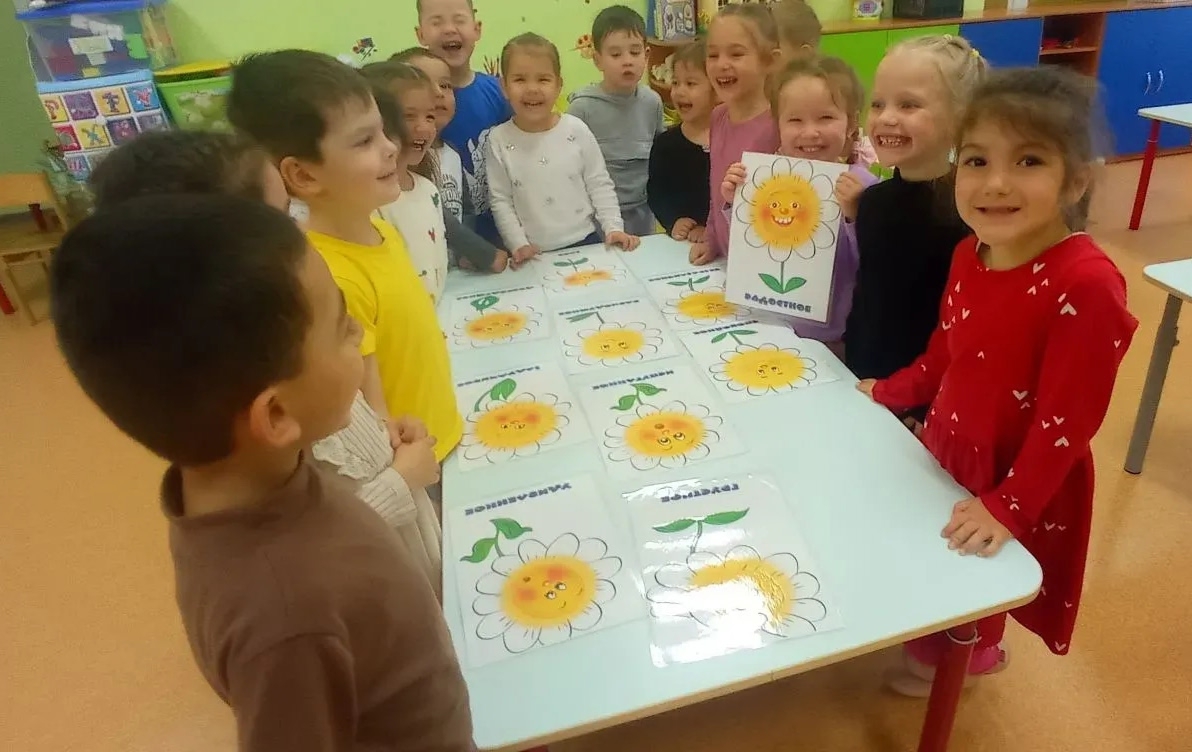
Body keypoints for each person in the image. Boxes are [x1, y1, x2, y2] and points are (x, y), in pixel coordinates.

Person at [50, 193, 473, 749]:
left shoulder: (255, 472)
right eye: (342, 328)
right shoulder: (286, 619)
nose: (358, 334)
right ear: (275, 415)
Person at [858, 66, 1138, 696]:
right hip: (951, 445)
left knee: (975, 583)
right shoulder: (970, 252)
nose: (996, 183)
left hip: (1017, 470)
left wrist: (1011, 504)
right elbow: (946, 350)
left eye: (1029, 160)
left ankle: (976, 655)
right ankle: (949, 640)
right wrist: (892, 390)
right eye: (977, 160)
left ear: (1078, 178)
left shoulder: (1087, 284)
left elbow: (1069, 423)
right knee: (935, 565)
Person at [88, 129, 445, 596]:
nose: (300, 231)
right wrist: (401, 482)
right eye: (282, 216)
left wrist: (382, 433)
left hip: (407, 552)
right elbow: (309, 553)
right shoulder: (265, 388)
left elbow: (342, 450)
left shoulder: (290, 356)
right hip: (382, 578)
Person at [226, 50, 463, 474]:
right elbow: (370, 414)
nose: (391, 147)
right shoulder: (331, 277)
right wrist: (405, 472)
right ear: (304, 175)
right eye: (364, 141)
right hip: (414, 460)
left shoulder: (383, 230)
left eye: (383, 131)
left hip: (439, 432)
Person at [844, 35, 986, 390]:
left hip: (926, 396)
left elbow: (964, 330)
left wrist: (918, 401)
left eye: (908, 105)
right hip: (864, 378)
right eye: (878, 104)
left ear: (961, 117)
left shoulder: (969, 215)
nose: (886, 118)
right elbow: (870, 296)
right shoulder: (873, 202)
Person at [720, 55, 877, 354]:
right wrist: (736, 203)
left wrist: (856, 216)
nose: (810, 132)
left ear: (851, 123)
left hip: (837, 338)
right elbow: (755, 248)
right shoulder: (768, 178)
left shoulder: (864, 187)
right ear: (778, 125)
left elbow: (876, 266)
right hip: (774, 325)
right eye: (795, 120)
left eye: (825, 118)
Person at [487, 32, 640, 262]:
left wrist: (613, 227)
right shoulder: (498, 139)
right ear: (504, 87)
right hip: (531, 253)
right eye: (520, 79)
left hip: (587, 242)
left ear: (559, 85)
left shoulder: (576, 129)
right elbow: (501, 200)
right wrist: (518, 244)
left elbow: (599, 183)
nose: (532, 89)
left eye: (543, 79)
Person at [391, 46, 511, 275]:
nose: (437, 93)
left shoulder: (452, 152)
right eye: (423, 83)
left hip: (452, 272)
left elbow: (465, 211)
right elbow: (441, 216)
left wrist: (467, 253)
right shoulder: (406, 159)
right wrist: (484, 254)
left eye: (445, 85)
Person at [691, 2, 781, 266]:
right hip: (726, 262)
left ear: (770, 60)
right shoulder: (718, 116)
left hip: (765, 264)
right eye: (713, 55)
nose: (722, 64)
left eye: (736, 54)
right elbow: (716, 189)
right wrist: (711, 238)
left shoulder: (779, 126)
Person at [417, 0, 512, 244]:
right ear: (421, 34)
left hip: (503, 232)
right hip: (441, 237)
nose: (449, 29)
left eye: (459, 20)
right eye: (437, 22)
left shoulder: (498, 92)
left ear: (477, 29)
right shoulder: (414, 102)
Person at [568, 4, 665, 236]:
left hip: (643, 214)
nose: (627, 61)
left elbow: (659, 158)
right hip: (595, 219)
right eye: (615, 54)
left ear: (647, 55)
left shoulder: (652, 102)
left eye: (635, 52)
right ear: (597, 59)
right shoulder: (582, 108)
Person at [362, 62, 451, 304]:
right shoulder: (371, 203)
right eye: (408, 116)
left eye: (430, 116)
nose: (423, 127)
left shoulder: (428, 190)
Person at [647, 38, 713, 243]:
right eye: (675, 82)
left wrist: (711, 228)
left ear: (717, 89)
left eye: (691, 83)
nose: (679, 91)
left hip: (721, 240)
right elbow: (657, 193)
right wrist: (673, 220)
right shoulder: (666, 144)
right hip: (681, 244)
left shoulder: (731, 140)